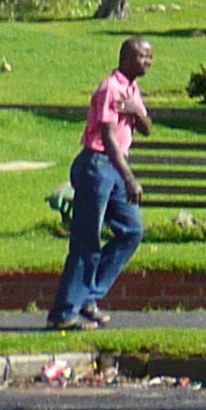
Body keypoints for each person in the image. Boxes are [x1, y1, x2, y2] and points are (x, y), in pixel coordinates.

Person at [49, 36, 154, 331]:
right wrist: (130, 179)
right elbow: (107, 138)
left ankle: (88, 296)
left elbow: (146, 129)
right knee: (86, 241)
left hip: (114, 167)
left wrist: (135, 109)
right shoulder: (110, 88)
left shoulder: (131, 90)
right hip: (97, 165)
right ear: (126, 58)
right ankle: (63, 312)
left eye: (150, 58)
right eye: (142, 57)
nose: (147, 62)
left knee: (132, 231)